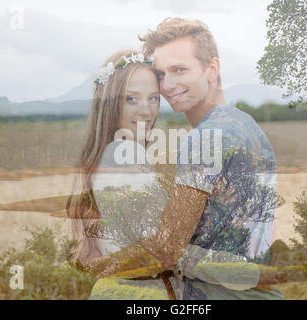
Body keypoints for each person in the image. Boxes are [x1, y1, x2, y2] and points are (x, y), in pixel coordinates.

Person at [78, 18, 284, 300]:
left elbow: (166, 249)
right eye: (162, 74)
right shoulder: (247, 125)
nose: (168, 85)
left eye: (180, 70)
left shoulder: (203, 139)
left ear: (212, 69)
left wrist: (102, 265)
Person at [66, 49, 179, 299]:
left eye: (153, 98)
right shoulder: (124, 152)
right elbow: (164, 247)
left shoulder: (106, 155)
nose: (146, 111)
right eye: (131, 99)